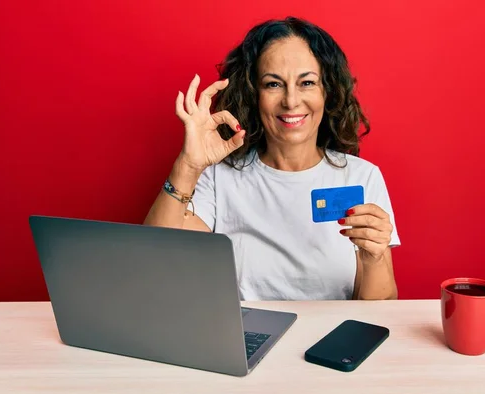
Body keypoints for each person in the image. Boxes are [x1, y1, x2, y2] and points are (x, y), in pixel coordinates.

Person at [144, 17, 401, 301]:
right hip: (246, 338)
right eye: (273, 84)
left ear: (327, 92)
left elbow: (382, 306)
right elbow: (157, 261)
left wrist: (373, 257)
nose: (291, 101)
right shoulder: (220, 176)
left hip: (331, 339)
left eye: (306, 82)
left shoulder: (362, 177)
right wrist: (188, 165)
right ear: (254, 94)